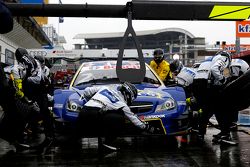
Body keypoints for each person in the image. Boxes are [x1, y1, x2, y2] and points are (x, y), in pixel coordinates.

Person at [77, 82, 156, 137]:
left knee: (107, 112)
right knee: (120, 118)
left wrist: (91, 101)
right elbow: (133, 118)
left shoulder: (105, 88)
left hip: (82, 113)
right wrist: (146, 127)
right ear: (128, 95)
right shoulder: (121, 103)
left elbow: (86, 91)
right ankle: (107, 141)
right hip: (95, 116)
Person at [15, 48, 54, 149]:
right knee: (42, 114)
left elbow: (33, 79)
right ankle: (48, 136)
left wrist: (24, 83)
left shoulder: (23, 64)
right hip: (38, 91)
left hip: (35, 92)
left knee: (37, 113)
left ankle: (49, 137)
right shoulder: (33, 62)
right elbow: (42, 79)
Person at [192, 50, 232, 143]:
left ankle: (200, 133)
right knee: (220, 109)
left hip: (196, 83)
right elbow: (215, 69)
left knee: (206, 110)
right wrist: (223, 80)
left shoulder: (207, 61)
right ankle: (225, 133)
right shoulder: (223, 57)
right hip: (206, 85)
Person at [213, 58, 250, 142]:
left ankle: (226, 130)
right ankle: (229, 126)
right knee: (231, 105)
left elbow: (235, 81)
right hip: (245, 84)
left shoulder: (234, 65)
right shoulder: (236, 62)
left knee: (228, 104)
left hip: (245, 87)